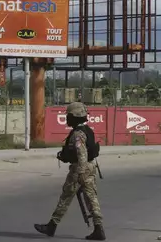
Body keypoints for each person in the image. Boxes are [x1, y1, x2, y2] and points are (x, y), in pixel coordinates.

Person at [34, 102, 106, 240]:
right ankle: (98, 228)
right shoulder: (88, 130)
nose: (67, 118)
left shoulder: (78, 134)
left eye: (69, 115)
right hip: (90, 167)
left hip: (80, 169)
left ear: (75, 116)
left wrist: (79, 174)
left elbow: (81, 154)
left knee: (66, 197)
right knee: (91, 198)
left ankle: (52, 226)